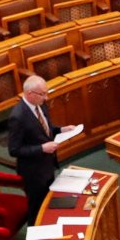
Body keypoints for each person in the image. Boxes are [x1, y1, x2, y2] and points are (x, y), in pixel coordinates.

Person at [7, 74, 81, 224]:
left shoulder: (40, 105)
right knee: (36, 210)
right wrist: (41, 148)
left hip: (47, 166)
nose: (46, 97)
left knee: (48, 204)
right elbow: (14, 150)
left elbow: (46, 130)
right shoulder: (18, 116)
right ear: (30, 94)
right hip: (33, 173)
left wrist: (61, 130)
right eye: (42, 94)